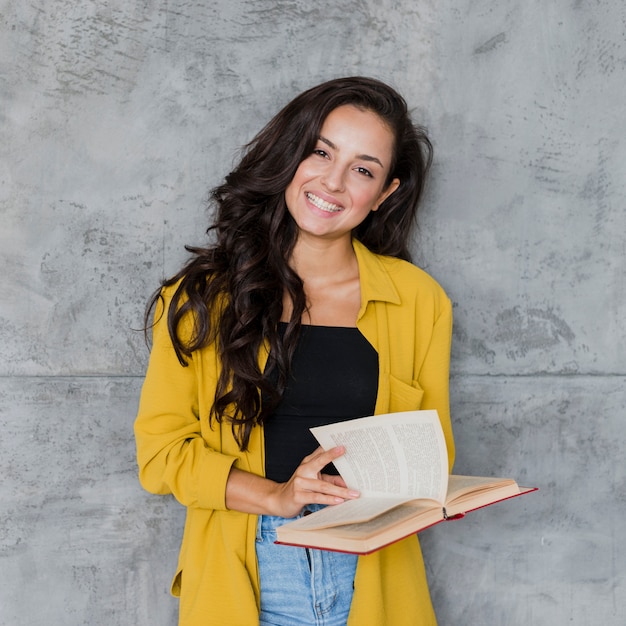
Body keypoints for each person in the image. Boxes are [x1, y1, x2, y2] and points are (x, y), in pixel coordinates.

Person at [134, 76, 455, 626]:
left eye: (362, 169)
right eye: (321, 151)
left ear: (385, 193)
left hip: (376, 568)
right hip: (253, 568)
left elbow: (434, 450)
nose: (332, 181)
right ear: (291, 154)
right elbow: (162, 454)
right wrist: (277, 496)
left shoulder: (418, 301)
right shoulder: (201, 299)